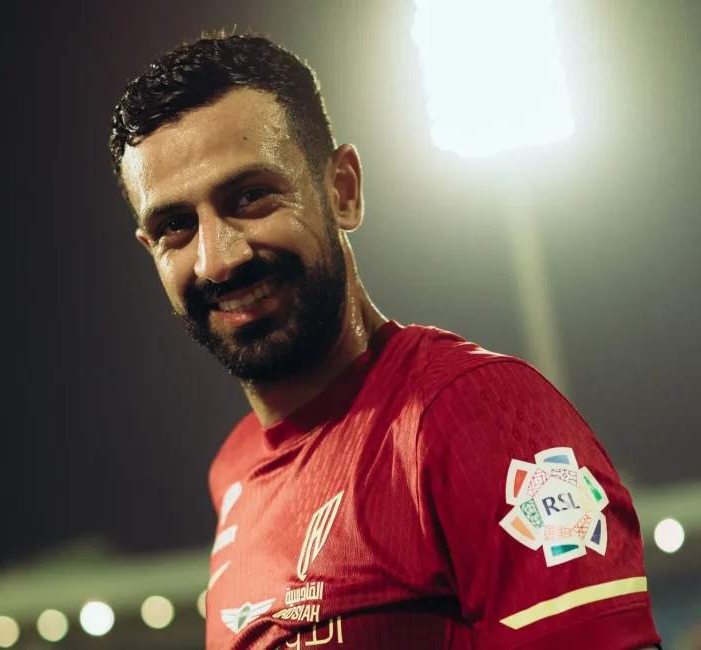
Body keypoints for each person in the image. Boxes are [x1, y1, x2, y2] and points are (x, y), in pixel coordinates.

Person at [109, 32, 662, 650]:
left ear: (342, 190)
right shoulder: (233, 469)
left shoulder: (476, 415)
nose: (217, 259)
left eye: (251, 197)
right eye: (176, 226)